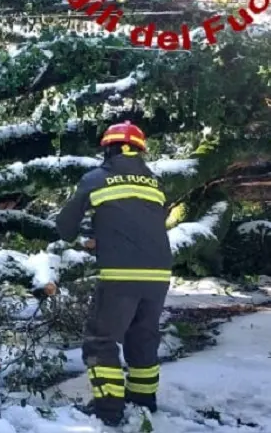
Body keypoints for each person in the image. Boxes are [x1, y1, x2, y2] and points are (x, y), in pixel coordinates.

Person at [55, 121, 171, 427]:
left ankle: (108, 411)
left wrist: (89, 235)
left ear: (107, 149)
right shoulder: (156, 184)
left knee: (100, 341)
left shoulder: (96, 178)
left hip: (120, 273)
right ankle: (144, 401)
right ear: (140, 152)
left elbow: (64, 227)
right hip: (159, 274)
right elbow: (140, 222)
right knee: (143, 338)